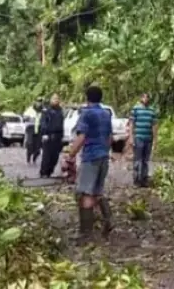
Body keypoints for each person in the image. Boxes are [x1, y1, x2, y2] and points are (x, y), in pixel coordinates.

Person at [67, 85, 114, 240]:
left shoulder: (86, 114)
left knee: (85, 193)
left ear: (87, 98)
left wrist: (71, 155)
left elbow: (82, 137)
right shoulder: (106, 114)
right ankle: (108, 219)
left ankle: (85, 233)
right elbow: (110, 138)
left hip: (91, 157)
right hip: (103, 157)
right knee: (97, 191)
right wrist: (105, 152)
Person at [129, 93, 158, 187]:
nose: (146, 99)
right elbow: (132, 123)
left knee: (145, 160)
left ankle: (144, 180)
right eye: (144, 97)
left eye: (147, 97)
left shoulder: (152, 110)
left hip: (148, 138)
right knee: (138, 159)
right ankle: (136, 180)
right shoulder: (136, 109)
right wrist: (131, 137)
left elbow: (154, 125)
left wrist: (155, 140)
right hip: (138, 137)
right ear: (141, 98)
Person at [38, 94, 64, 178]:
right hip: (48, 136)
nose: (56, 100)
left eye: (57, 98)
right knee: (47, 156)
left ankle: (49, 171)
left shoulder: (60, 111)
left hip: (57, 136)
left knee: (55, 157)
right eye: (54, 99)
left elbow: (61, 124)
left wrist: (61, 136)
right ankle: (44, 173)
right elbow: (43, 123)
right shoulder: (46, 111)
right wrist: (44, 133)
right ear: (51, 100)